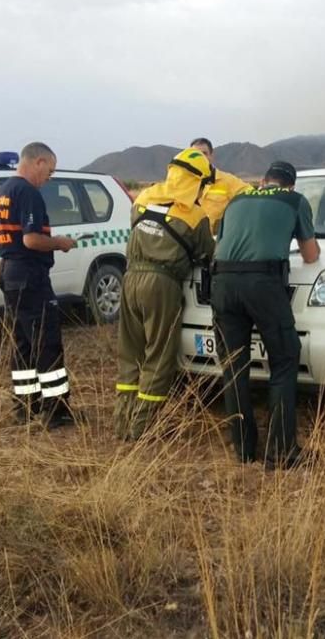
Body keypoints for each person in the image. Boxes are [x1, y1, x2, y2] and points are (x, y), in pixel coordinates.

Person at [210, 161, 320, 468]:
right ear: (291, 185)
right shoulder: (294, 201)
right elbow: (310, 255)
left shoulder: (237, 200)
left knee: (233, 366)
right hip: (264, 284)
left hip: (222, 284)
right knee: (285, 359)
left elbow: (222, 245)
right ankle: (281, 451)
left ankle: (244, 450)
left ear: (262, 180)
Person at [114, 147, 215, 440]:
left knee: (130, 352)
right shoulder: (195, 214)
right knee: (159, 355)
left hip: (130, 277)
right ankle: (143, 428)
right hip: (162, 284)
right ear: (197, 181)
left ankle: (122, 421)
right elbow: (207, 254)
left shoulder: (144, 198)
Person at [0, 142, 77, 428]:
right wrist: (59, 243)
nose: (48, 179)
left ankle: (25, 406)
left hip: (10, 274)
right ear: (38, 162)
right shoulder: (28, 193)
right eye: (49, 172)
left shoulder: (3, 192)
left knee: (23, 343)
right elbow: (31, 239)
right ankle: (57, 412)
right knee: (47, 342)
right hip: (30, 275)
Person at [189, 137, 253, 233]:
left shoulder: (228, 180)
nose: (200, 157)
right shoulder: (183, 183)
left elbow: (252, 197)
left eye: (204, 153)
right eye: (195, 154)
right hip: (190, 240)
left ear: (211, 156)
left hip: (216, 241)